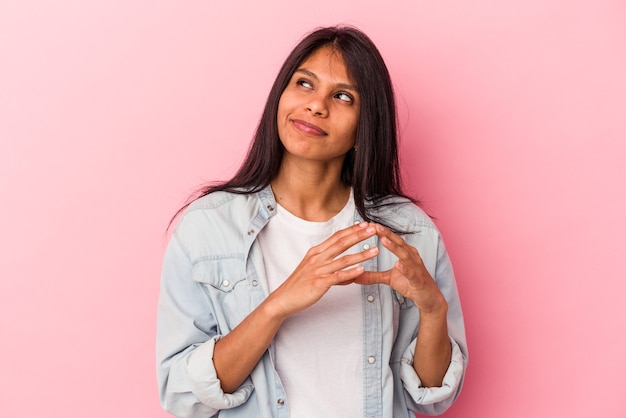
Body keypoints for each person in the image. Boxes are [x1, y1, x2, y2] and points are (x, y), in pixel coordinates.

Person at [157, 25, 468, 418]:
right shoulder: (207, 228)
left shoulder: (410, 232)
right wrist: (278, 305)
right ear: (280, 97)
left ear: (364, 126)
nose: (317, 105)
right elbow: (181, 394)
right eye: (304, 84)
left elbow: (432, 395)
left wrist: (433, 310)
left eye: (342, 96)